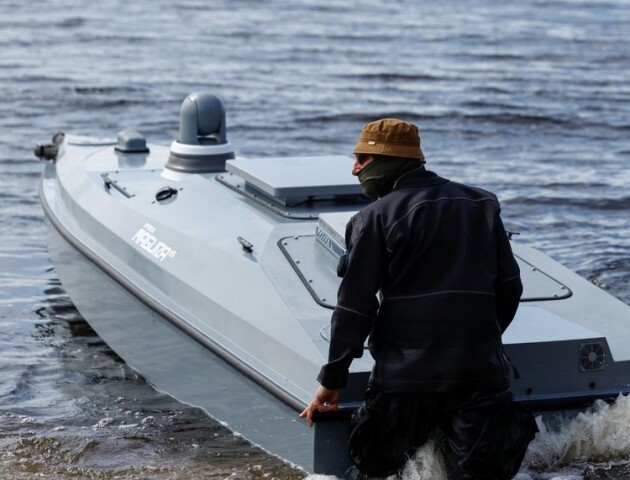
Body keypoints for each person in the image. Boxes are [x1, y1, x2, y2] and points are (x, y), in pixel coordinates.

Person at [300, 118, 537, 479]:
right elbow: (510, 287)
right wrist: (479, 341)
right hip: (478, 375)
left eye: (362, 159)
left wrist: (332, 379)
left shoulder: (375, 217)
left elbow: (355, 308)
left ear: (388, 160)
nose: (354, 169)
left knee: (376, 468)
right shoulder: (482, 203)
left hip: (404, 381)